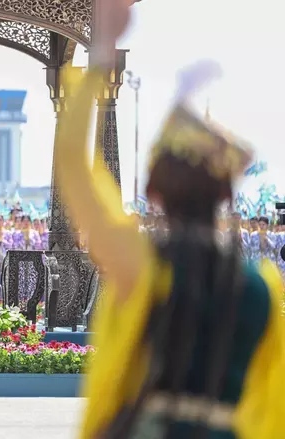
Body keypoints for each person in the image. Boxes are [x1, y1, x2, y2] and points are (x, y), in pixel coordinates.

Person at [54, 1, 285, 437]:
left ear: (154, 193)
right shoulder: (262, 287)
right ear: (225, 192)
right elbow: (274, 409)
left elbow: (74, 167)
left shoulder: (139, 265)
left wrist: (101, 56)